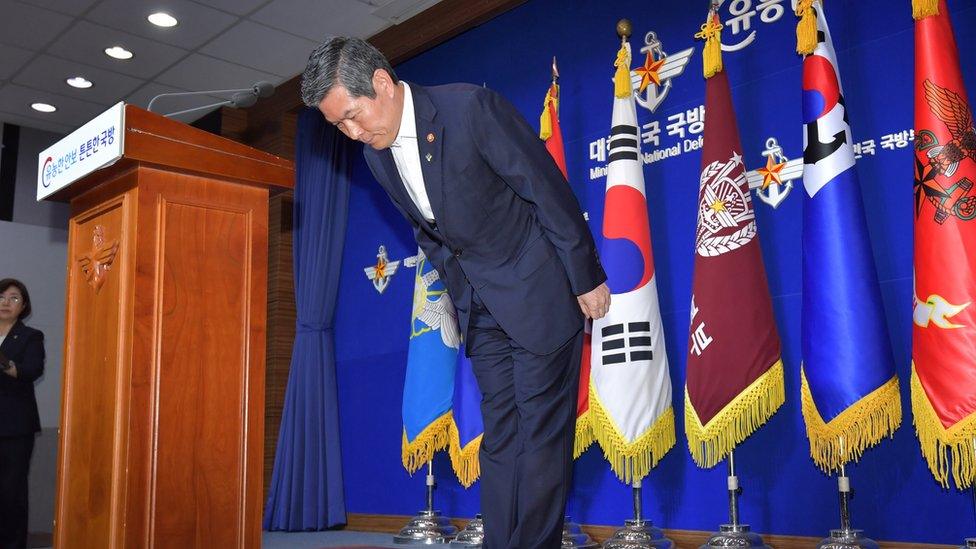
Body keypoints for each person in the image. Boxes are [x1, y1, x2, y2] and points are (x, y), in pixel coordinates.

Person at [301, 37, 610, 548]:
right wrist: (463, 299)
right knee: (501, 440)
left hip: (538, 293)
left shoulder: (470, 109)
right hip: (481, 310)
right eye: (340, 127)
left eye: (353, 116)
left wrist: (586, 276)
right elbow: (431, 236)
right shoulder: (379, 158)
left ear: (381, 83)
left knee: (539, 441)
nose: (353, 133)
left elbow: (545, 187)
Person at [0, 279, 45, 549]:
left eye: (14, 298)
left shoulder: (31, 337)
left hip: (15, 428)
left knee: (10, 492)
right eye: (1, 296)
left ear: (23, 306)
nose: (6, 302)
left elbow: (30, 371)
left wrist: (3, 361)